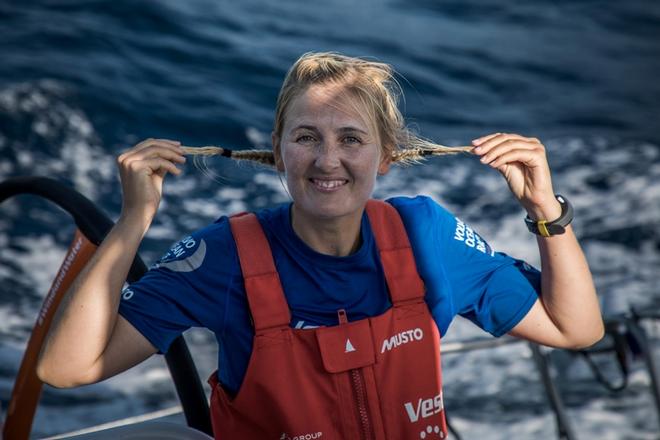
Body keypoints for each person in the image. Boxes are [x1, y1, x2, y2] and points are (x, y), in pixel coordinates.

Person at [37, 52, 604, 439]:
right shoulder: (225, 254)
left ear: (384, 157)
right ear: (279, 152)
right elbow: (67, 369)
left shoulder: (427, 236)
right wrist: (134, 219)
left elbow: (575, 329)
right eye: (306, 137)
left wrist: (545, 212)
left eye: (351, 139)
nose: (327, 160)